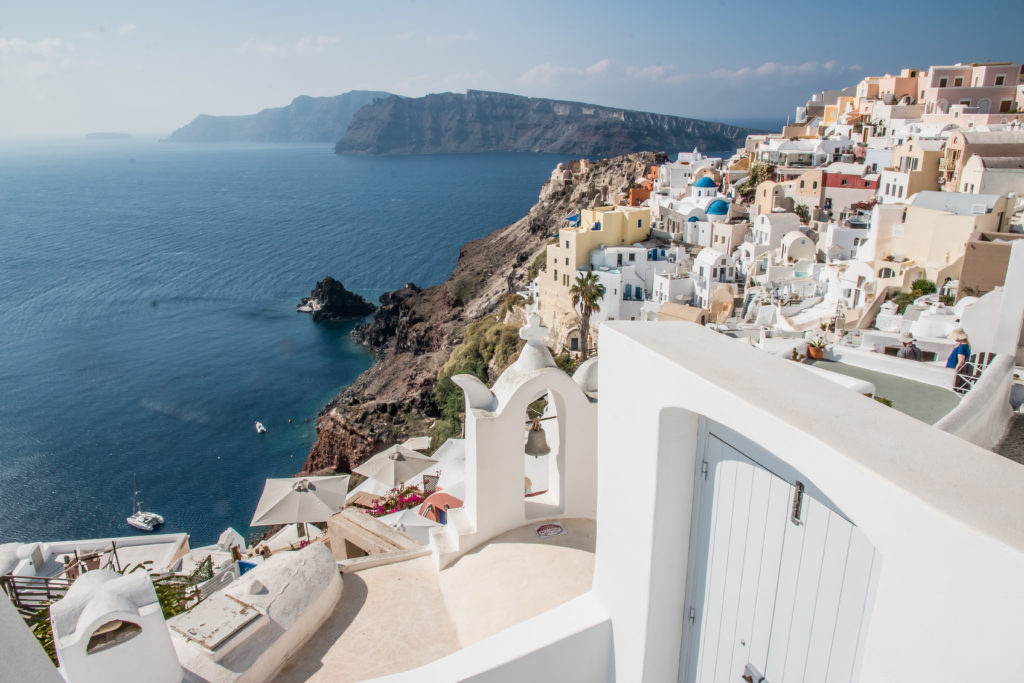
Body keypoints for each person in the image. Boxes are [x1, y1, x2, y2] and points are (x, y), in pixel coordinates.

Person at [946, 328, 971, 393]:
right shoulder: (966, 346)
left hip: (953, 368)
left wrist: (955, 371)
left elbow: (961, 361)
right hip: (958, 369)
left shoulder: (961, 347)